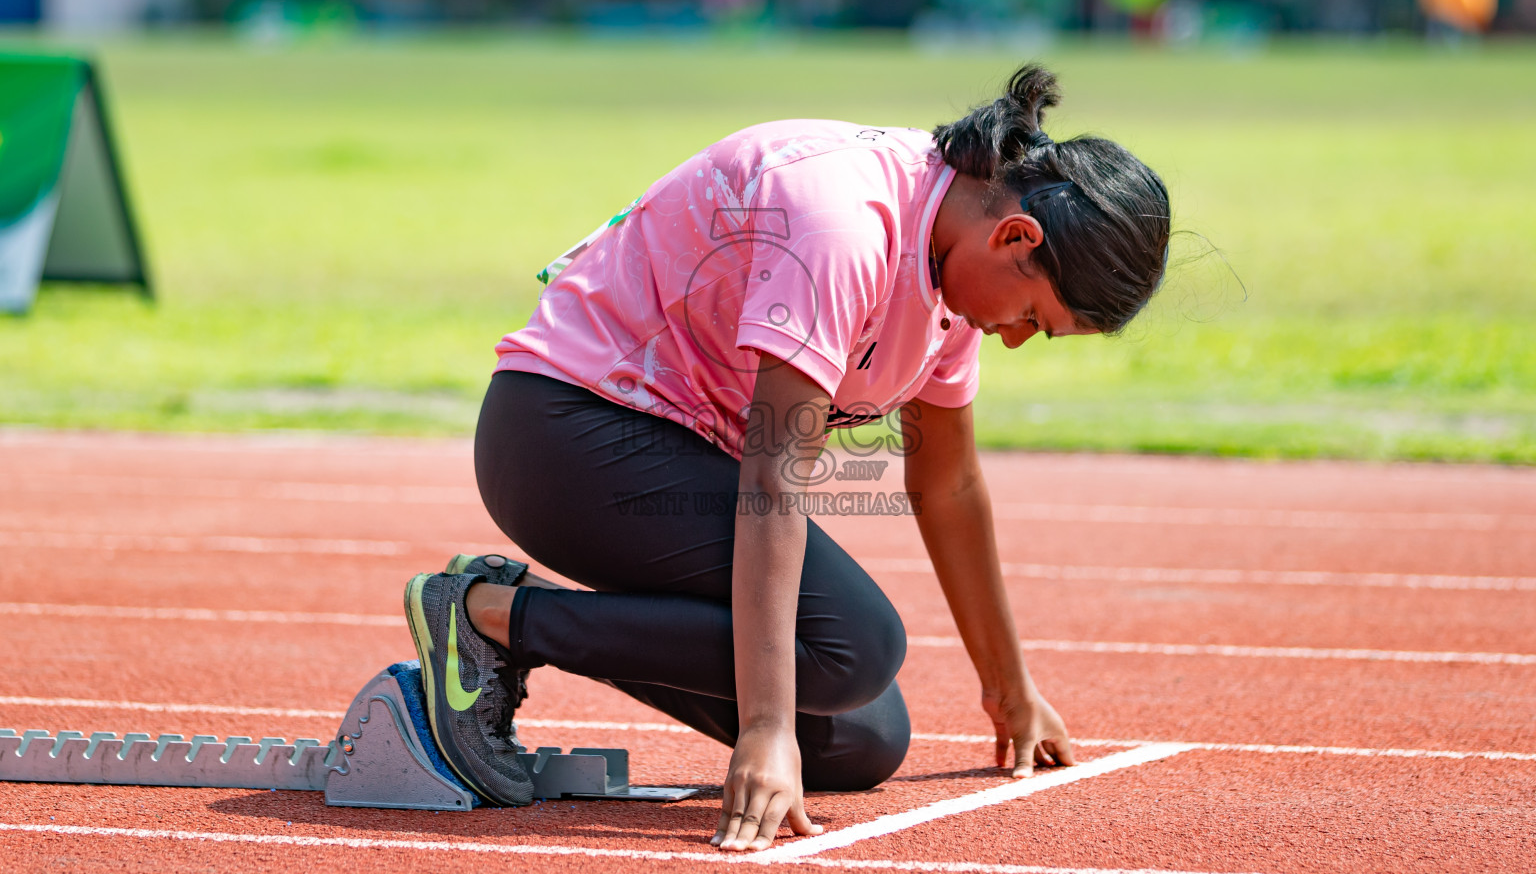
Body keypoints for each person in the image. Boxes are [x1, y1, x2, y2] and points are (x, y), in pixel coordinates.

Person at [401, 62, 1172, 848]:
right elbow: (774, 479)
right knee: (853, 651)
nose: (1013, 337)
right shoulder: (847, 228)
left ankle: (514, 610)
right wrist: (763, 731)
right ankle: (485, 618)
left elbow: (948, 481)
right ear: (1016, 237)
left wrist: (1010, 687)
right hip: (564, 436)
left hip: (676, 451)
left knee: (859, 740)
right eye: (1034, 319)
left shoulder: (954, 264)